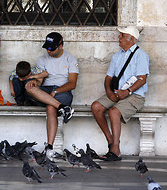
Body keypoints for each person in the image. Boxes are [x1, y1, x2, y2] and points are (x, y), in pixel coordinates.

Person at [91, 26, 150, 161]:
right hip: (117, 93)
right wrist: (109, 92)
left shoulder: (141, 55)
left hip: (135, 95)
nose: (119, 38)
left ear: (131, 39)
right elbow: (108, 78)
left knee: (114, 112)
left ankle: (115, 151)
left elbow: (142, 79)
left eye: (122, 35)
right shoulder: (117, 56)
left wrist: (128, 91)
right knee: (96, 107)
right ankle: (111, 143)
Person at [24, 32, 79, 160]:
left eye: (52, 48)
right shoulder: (42, 59)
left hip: (63, 91)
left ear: (61, 46)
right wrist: (34, 81)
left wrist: (56, 91)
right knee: (29, 88)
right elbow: (40, 81)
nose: (49, 51)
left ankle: (49, 147)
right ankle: (63, 108)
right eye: (47, 48)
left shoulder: (70, 59)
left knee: (50, 107)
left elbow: (72, 83)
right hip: (46, 90)